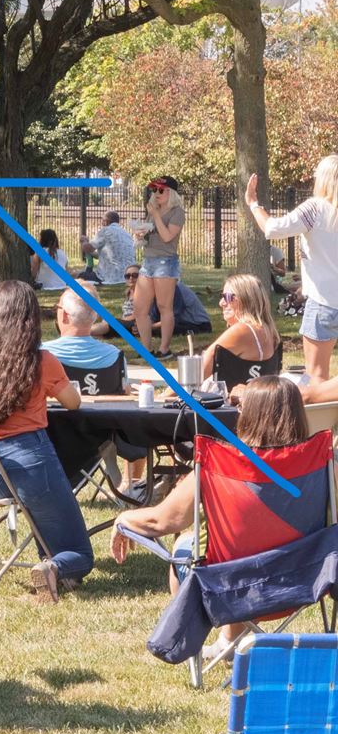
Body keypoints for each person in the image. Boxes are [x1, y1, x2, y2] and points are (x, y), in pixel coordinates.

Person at [0, 280, 91, 600]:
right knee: (81, 554)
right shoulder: (41, 362)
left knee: (49, 519)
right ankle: (53, 568)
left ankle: (50, 562)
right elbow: (73, 403)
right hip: (30, 464)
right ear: (30, 320)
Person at [110, 377, 313, 574]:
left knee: (183, 543)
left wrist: (124, 518)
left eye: (240, 408)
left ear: (249, 417)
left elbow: (163, 521)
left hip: (228, 582)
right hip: (301, 580)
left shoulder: (216, 465)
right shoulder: (324, 466)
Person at [246, 162, 338, 385]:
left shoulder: (315, 208)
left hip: (323, 302)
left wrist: (253, 204)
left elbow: (272, 229)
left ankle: (320, 421)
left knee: (316, 376)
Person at [134, 177, 187, 356]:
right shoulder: (152, 211)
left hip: (165, 262)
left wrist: (156, 216)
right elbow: (150, 238)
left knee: (164, 307)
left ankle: (164, 349)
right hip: (148, 261)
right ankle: (146, 349)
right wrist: (140, 235)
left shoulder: (177, 212)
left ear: (171, 193)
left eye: (160, 190)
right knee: (139, 308)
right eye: (154, 190)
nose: (156, 193)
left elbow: (166, 237)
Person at [203, 273, 283, 389]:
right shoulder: (270, 332)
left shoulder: (242, 330)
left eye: (228, 297)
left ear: (245, 299)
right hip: (262, 402)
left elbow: (199, 371)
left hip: (231, 403)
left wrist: (166, 397)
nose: (221, 303)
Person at [92, 208, 137, 289]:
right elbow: (111, 256)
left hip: (111, 276)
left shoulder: (105, 231)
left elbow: (89, 248)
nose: (102, 223)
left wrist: (83, 241)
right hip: (128, 274)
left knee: (82, 275)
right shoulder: (126, 234)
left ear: (106, 221)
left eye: (102, 221)